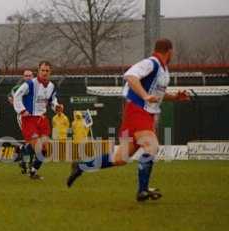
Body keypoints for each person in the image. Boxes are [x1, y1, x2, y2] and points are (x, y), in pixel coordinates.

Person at [67, 38, 190, 201]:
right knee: (151, 146)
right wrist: (145, 95)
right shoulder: (151, 63)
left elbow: (156, 94)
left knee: (121, 158)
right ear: (170, 51)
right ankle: (142, 190)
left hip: (142, 113)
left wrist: (174, 97)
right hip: (137, 112)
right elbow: (130, 76)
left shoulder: (163, 69)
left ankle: (81, 166)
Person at [13, 61, 63, 179]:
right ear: (38, 71)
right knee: (38, 147)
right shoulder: (30, 84)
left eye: (47, 71)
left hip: (42, 119)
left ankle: (33, 170)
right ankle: (24, 153)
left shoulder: (51, 86)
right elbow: (17, 96)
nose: (44, 73)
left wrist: (57, 107)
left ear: (50, 72)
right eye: (42, 70)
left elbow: (52, 100)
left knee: (46, 147)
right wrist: (22, 110)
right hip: (29, 119)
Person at [8, 70, 34, 174]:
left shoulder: (36, 87)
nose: (28, 77)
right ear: (23, 77)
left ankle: (22, 154)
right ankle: (29, 165)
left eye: (29, 75)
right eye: (26, 76)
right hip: (23, 116)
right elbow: (11, 99)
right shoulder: (17, 88)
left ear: (33, 76)